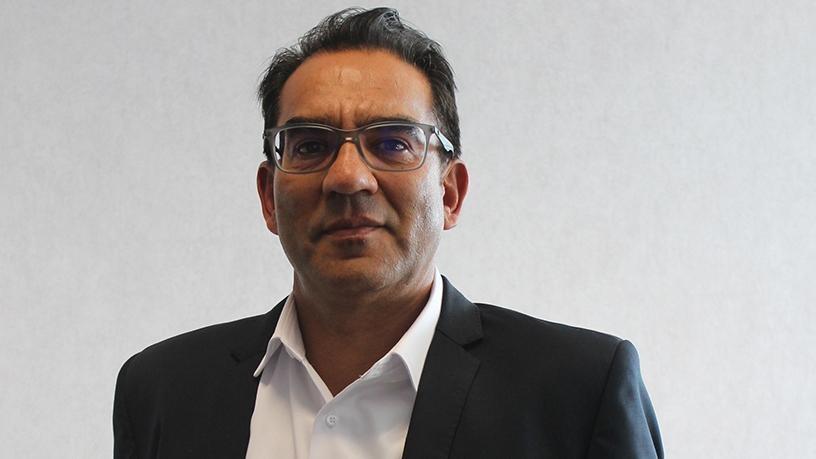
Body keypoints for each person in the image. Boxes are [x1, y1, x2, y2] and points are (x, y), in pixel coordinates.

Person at [113, 7, 663, 459]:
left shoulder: (577, 393)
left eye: (393, 143)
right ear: (268, 197)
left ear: (449, 193)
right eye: (310, 145)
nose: (348, 177)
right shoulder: (161, 392)